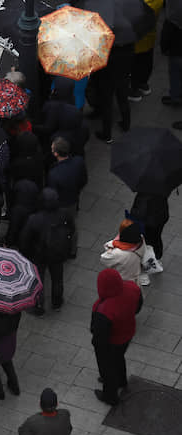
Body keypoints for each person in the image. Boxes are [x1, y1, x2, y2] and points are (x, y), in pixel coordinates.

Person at [19, 188, 75, 315]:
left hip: (39, 255)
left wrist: (26, 254)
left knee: (38, 281)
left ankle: (38, 306)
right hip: (58, 254)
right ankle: (57, 302)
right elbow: (71, 229)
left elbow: (25, 239)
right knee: (57, 279)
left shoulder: (34, 219)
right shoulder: (64, 214)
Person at [91, 268, 143, 406]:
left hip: (112, 342)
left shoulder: (103, 308)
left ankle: (110, 396)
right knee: (119, 358)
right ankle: (121, 381)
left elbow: (99, 337)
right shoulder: (132, 288)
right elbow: (138, 307)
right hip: (128, 333)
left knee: (108, 368)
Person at [46, 137, 86, 257]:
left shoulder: (54, 174)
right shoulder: (78, 161)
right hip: (73, 200)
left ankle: (60, 249)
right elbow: (84, 180)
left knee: (59, 228)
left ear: (56, 153)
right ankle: (73, 250)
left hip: (61, 204)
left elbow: (52, 194)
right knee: (72, 226)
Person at [90, 43, 134, 143]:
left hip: (107, 81)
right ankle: (126, 125)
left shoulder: (104, 51)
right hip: (123, 77)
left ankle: (107, 134)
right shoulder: (128, 47)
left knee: (107, 106)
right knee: (123, 101)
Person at [128, 0, 165, 102]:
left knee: (135, 65)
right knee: (146, 62)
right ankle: (143, 84)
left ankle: (134, 90)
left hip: (137, 39)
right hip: (149, 37)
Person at [128, 190, 171, 262]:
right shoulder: (163, 190)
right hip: (157, 219)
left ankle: (152, 256)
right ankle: (156, 256)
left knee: (151, 239)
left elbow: (136, 211)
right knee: (155, 238)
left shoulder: (143, 191)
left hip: (150, 221)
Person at [6, 178, 40, 248]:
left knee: (15, 227)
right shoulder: (34, 185)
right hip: (30, 207)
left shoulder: (18, 184)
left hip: (19, 207)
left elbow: (12, 198)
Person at [160, 15, 182, 107]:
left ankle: (176, 97)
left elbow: (165, 36)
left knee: (175, 76)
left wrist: (164, 49)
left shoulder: (172, 18)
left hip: (176, 52)